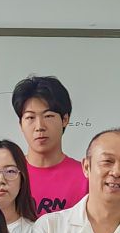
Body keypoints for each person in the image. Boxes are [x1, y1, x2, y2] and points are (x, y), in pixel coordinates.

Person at [14, 75, 87, 215]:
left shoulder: (85, 177)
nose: (39, 127)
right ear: (21, 124)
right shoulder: (9, 175)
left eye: (48, 116)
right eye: (30, 117)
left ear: (65, 119)